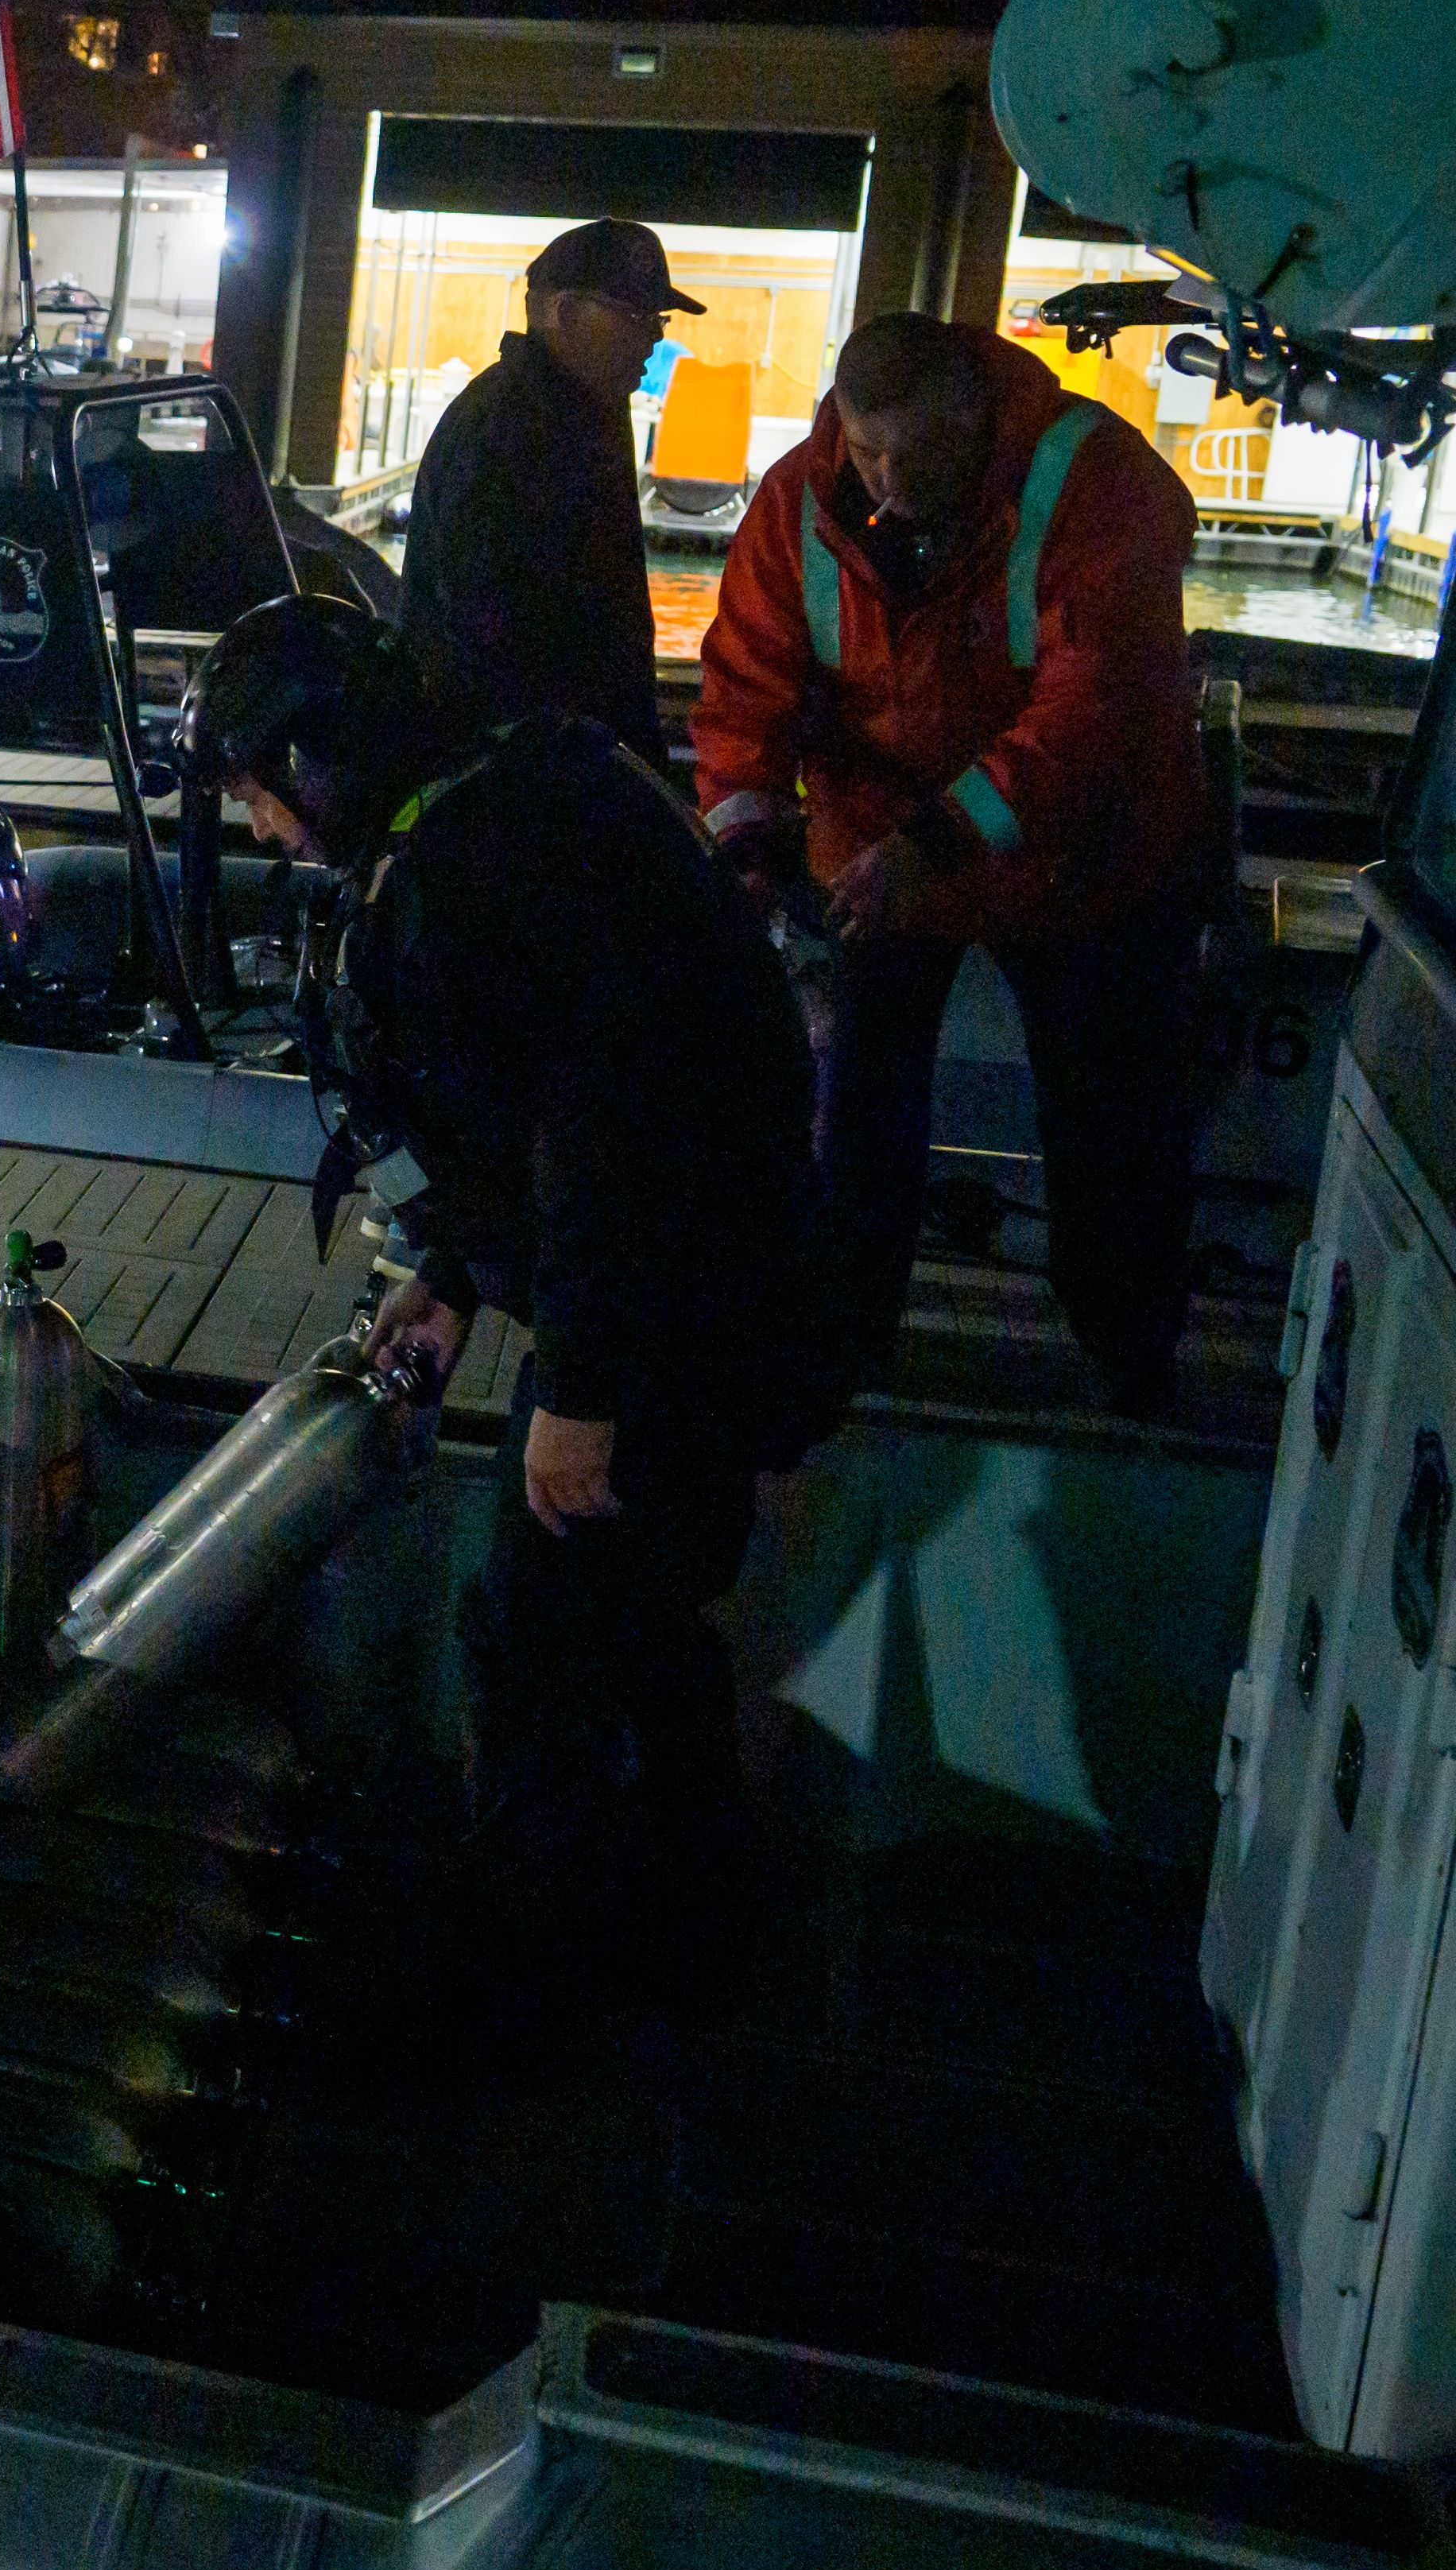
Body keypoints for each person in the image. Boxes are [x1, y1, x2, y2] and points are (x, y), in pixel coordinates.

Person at [195, 593, 827, 1987]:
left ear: (315, 765)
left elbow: (609, 1134)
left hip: (670, 1319)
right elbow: (535, 1101)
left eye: (258, 798)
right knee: (641, 1616)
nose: (259, 835)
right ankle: (706, 1937)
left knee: (535, 1640)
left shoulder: (480, 866)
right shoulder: (502, 812)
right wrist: (454, 1277)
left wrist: (582, 1397)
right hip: (708, 1287)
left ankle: (525, 1981)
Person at [693, 309, 1208, 1421]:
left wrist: (930, 844)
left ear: (976, 418)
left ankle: (1130, 1365)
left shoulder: (1095, 484)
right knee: (857, 1111)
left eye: (913, 457)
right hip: (881, 853)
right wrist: (746, 845)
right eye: (866, 450)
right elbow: (745, 687)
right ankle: (841, 1356)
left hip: (1081, 861)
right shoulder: (800, 500)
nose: (885, 479)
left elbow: (1096, 711)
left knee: (1109, 1119)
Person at [394, 217, 696, 756]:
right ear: (566, 314)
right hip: (521, 779)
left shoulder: (583, 412)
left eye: (659, 317)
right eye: (636, 315)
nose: (655, 335)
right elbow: (485, 632)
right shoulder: (507, 427)